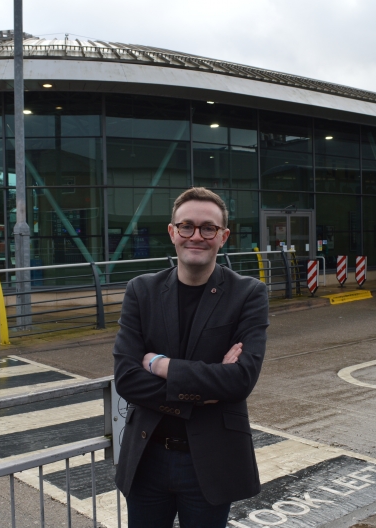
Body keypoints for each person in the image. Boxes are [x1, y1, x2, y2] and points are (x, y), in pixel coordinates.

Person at [113, 187, 269, 528]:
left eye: (208, 228)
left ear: (223, 236)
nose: (196, 236)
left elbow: (241, 380)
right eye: (187, 226)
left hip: (211, 463)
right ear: (172, 232)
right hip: (147, 459)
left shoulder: (249, 294)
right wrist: (209, 386)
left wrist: (160, 365)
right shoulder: (141, 291)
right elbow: (126, 378)